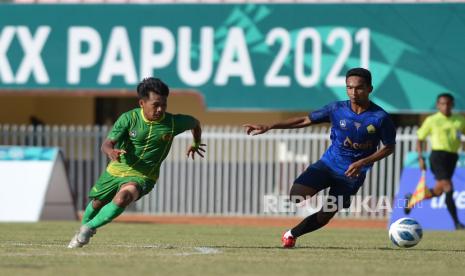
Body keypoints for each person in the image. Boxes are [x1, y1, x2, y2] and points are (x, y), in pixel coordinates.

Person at [244, 68, 396, 248]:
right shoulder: (336, 109)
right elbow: (304, 120)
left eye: (359, 88)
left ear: (370, 88)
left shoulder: (380, 117)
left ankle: (291, 234)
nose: (353, 92)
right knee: (296, 196)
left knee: (326, 214)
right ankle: (337, 197)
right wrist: (270, 126)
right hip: (328, 165)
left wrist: (363, 162)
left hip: (352, 174)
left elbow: (389, 147)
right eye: (349, 88)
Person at [68, 77, 206, 248]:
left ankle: (87, 230)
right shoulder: (129, 118)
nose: (160, 109)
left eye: (164, 104)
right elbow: (107, 144)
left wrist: (196, 143)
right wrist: (111, 152)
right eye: (156, 104)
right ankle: (83, 229)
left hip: (144, 176)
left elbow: (196, 123)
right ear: (142, 103)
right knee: (97, 203)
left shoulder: (172, 122)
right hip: (116, 170)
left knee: (123, 198)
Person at [404, 93, 465, 230]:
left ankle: (412, 200)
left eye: (448, 103)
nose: (446, 106)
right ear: (438, 105)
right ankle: (457, 223)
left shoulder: (460, 120)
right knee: (448, 186)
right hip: (438, 156)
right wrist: (420, 157)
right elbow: (420, 138)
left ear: (452, 105)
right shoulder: (432, 120)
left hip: (452, 157)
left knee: (439, 191)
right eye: (442, 103)